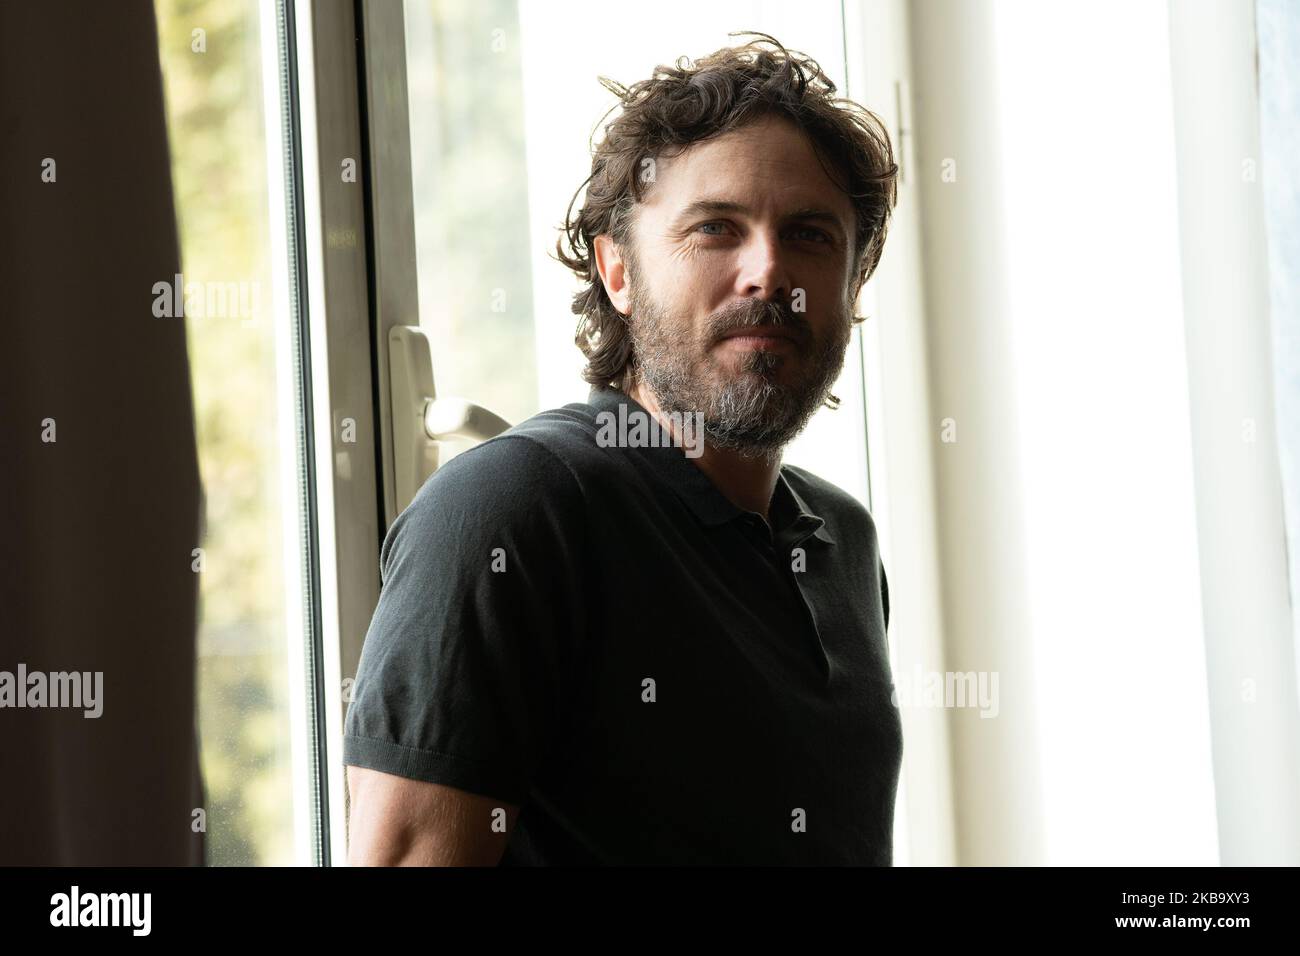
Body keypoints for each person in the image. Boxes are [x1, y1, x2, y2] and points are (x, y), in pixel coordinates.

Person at [344, 33, 902, 865]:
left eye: (812, 235)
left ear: (852, 283)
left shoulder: (842, 539)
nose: (768, 272)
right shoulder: (512, 509)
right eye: (715, 228)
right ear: (618, 272)